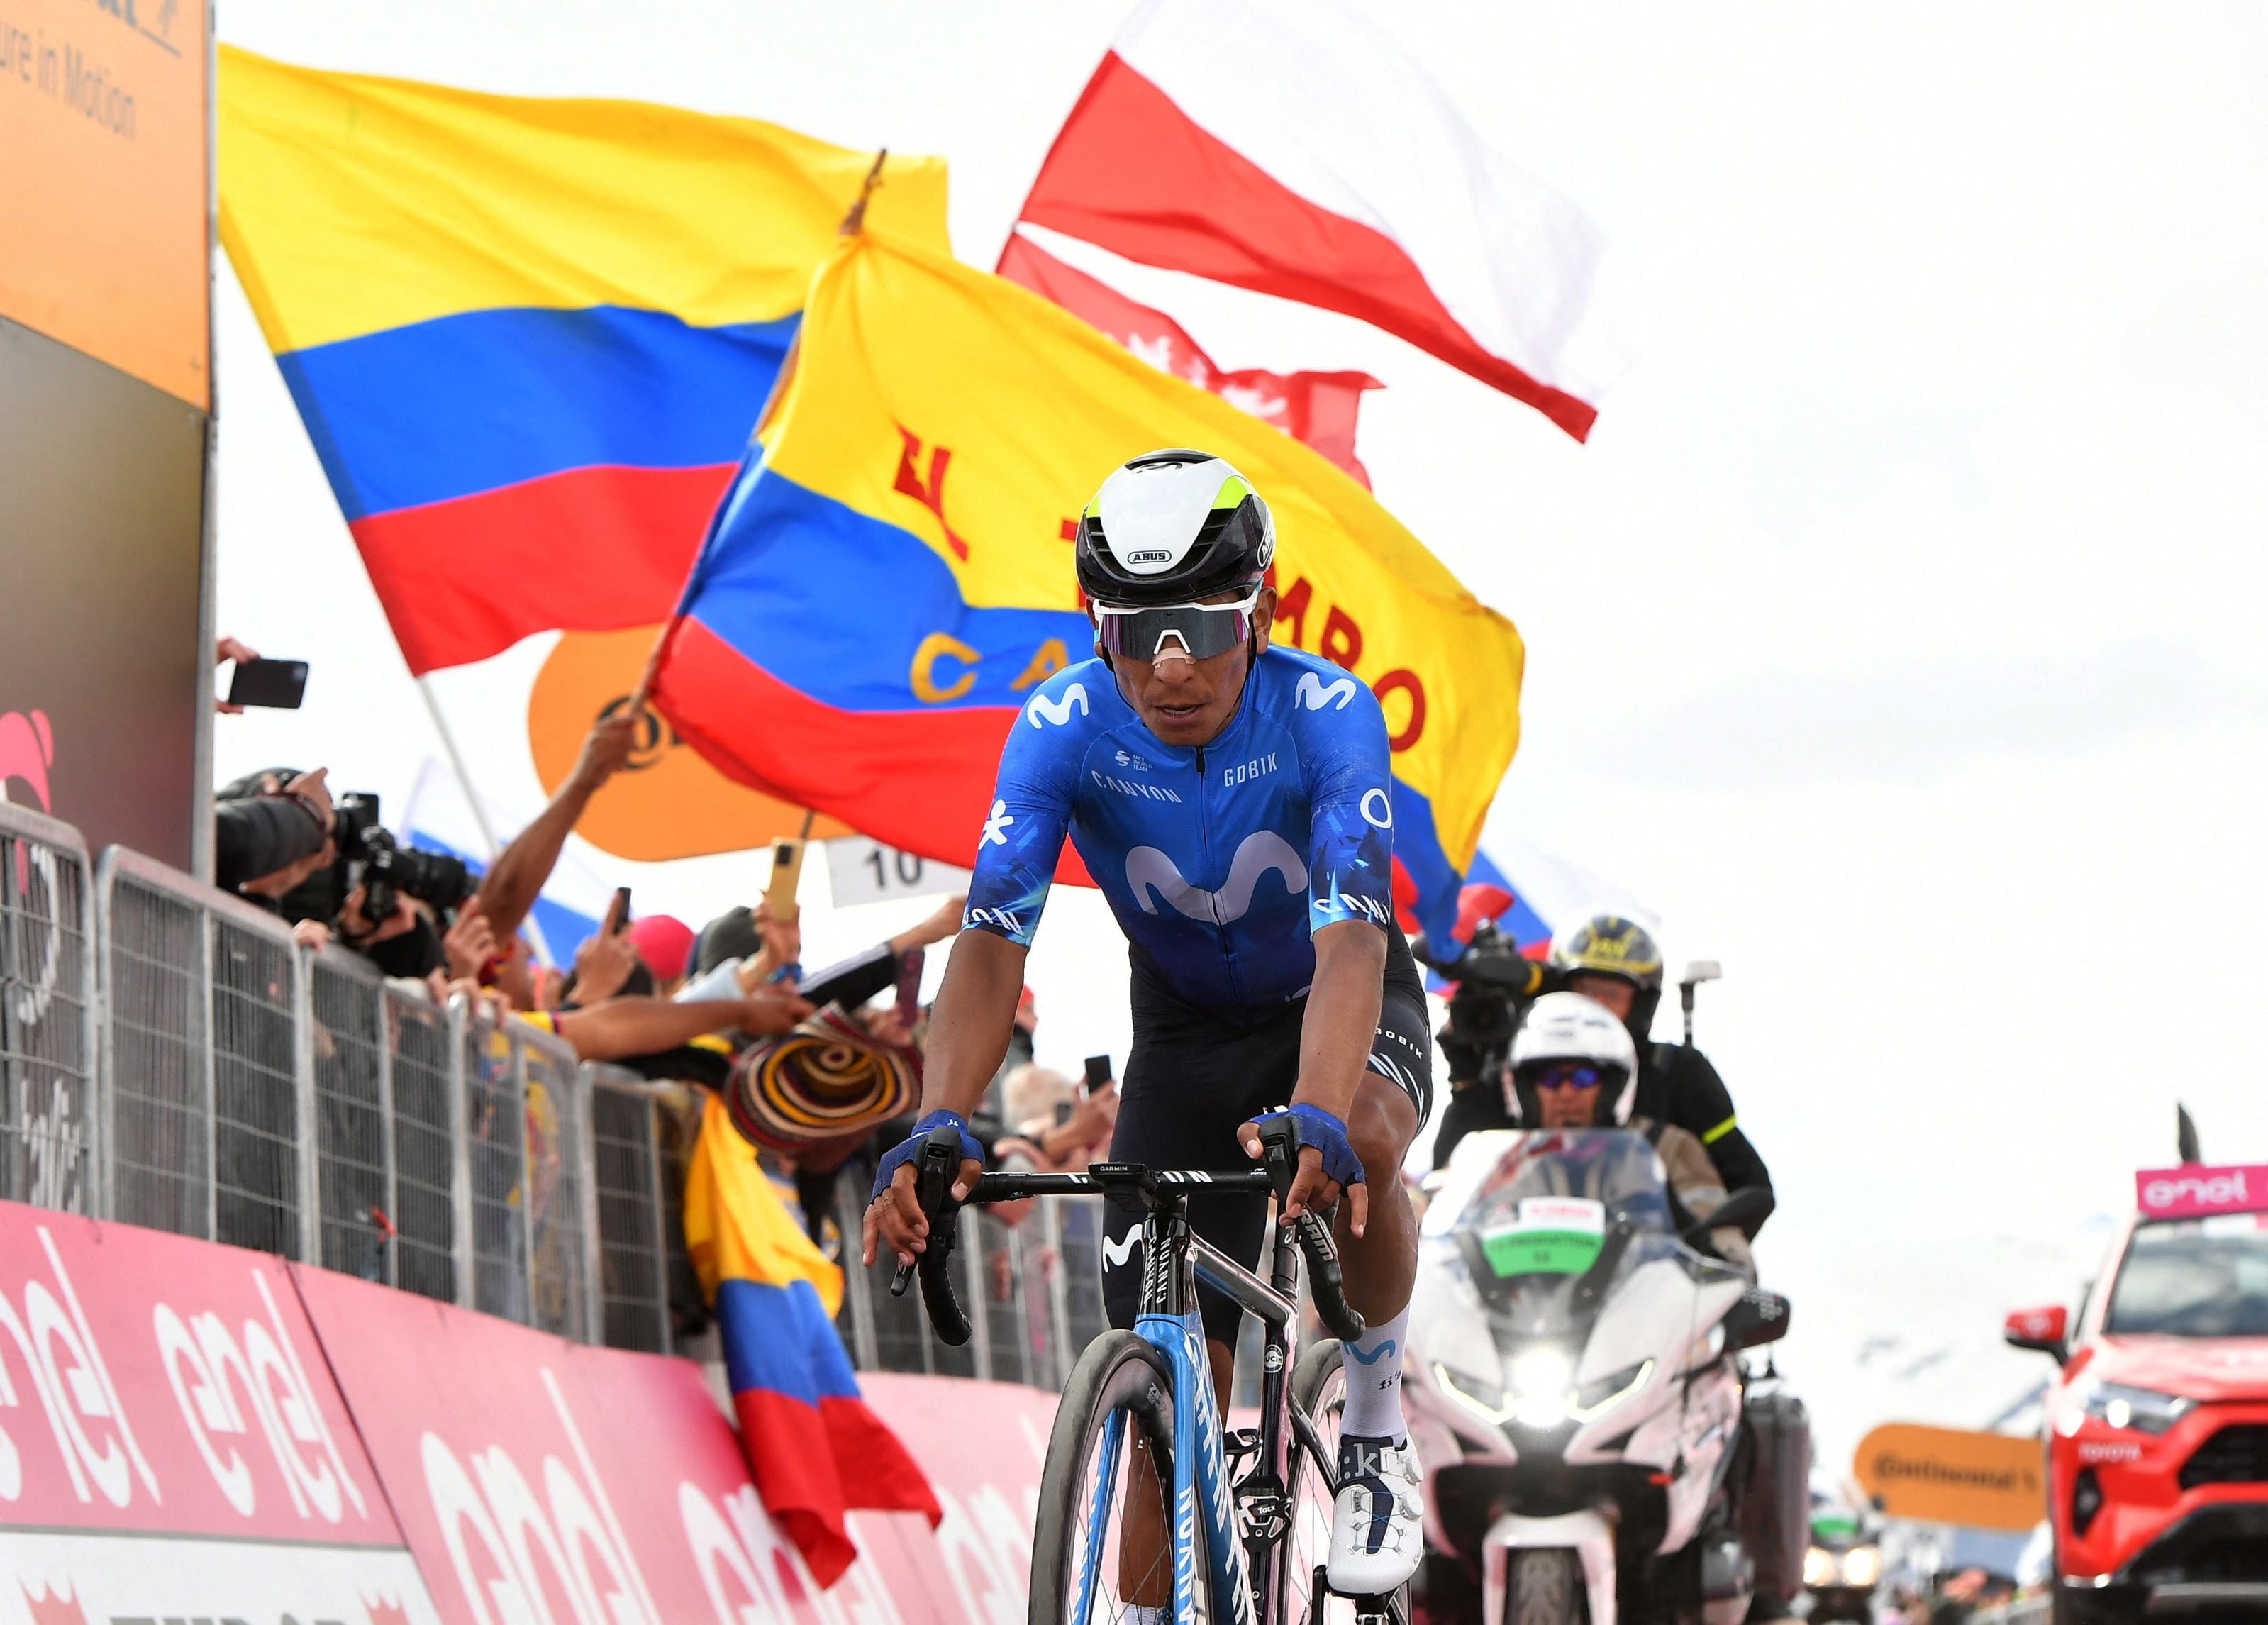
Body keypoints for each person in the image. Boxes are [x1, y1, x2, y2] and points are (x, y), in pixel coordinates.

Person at [862, 448, 1433, 1595]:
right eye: (1135, 634)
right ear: (1097, 629)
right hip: (1180, 1033)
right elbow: (989, 938)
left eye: (1203, 632)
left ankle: (1371, 1415)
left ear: (1256, 609)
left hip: (1331, 999)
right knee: (1164, 1378)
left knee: (1363, 1135)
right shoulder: (1061, 725)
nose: (1171, 670)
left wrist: (1317, 1109)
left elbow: (1353, 937)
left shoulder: (1325, 711)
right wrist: (936, 1122)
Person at [1549, 913, 1774, 1239]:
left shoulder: (1678, 1073)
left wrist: (1701, 1255)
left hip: (1650, 1275)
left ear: (1640, 1004)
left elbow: (1748, 1185)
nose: (1595, 1007)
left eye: (1611, 995)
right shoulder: (1517, 1074)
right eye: (1586, 990)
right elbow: (1457, 1182)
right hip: (1524, 1269)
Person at [1503, 992, 1753, 1277]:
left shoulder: (1668, 1147)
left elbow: (1729, 1254)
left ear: (1613, 1087)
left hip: (1646, 1312)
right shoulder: (1500, 1164)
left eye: (1584, 1078)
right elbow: (1450, 1251)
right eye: (1551, 1079)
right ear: (1527, 1091)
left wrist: (1675, 1218)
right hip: (1522, 1313)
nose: (1567, 1093)